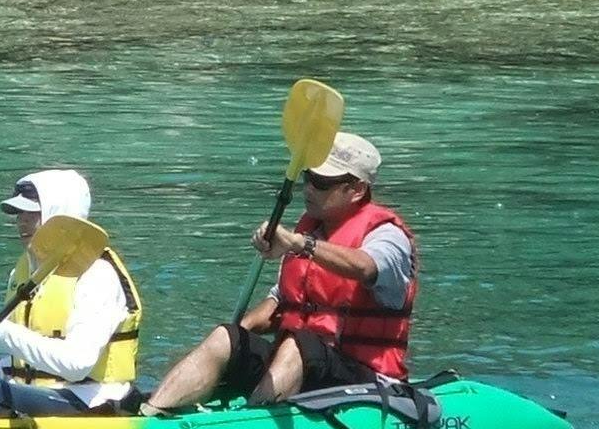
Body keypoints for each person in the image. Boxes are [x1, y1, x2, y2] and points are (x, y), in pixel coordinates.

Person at [142, 131, 414, 414]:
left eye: (322, 183)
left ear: (357, 189)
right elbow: (279, 305)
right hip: (303, 364)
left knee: (301, 346)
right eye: (309, 178)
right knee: (228, 336)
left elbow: (365, 266)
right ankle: (149, 415)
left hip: (363, 380)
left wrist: (299, 243)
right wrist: (234, 345)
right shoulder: (311, 228)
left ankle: (247, 428)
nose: (309, 189)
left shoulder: (387, 236)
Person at [0, 168, 144, 413]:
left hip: (95, 405)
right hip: (37, 398)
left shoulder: (97, 275)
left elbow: (76, 364)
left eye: (32, 212)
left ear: (60, 215)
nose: (21, 220)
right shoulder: (23, 274)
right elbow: (24, 365)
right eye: (19, 212)